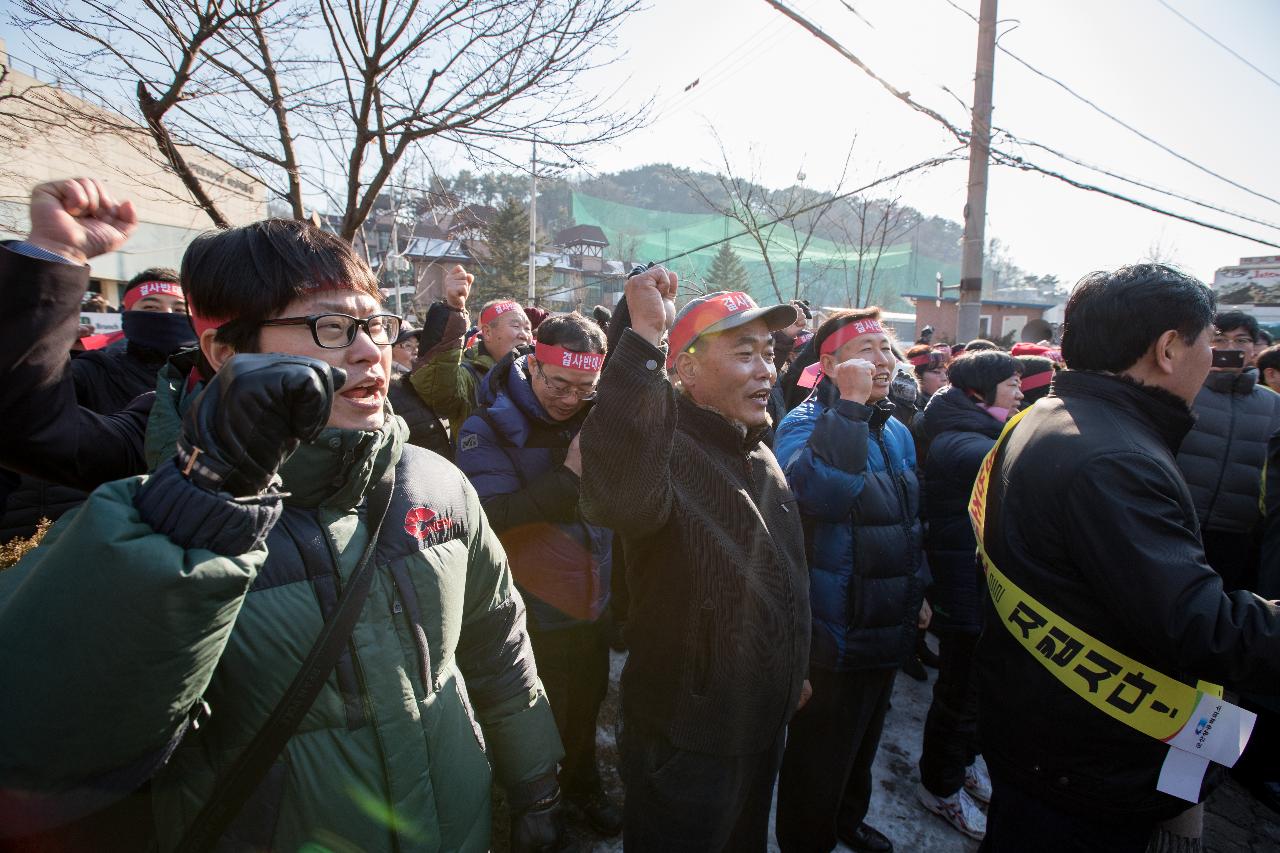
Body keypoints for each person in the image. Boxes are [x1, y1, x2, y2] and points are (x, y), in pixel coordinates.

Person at [0, 178, 568, 852]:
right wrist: (207, 511)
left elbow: (496, 641)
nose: (368, 351)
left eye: (374, 323)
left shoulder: (436, 483)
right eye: (330, 326)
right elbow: (49, 744)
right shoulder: (154, 525)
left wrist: (537, 777)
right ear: (223, 351)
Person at [973, 264, 1280, 853]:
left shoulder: (1047, 417)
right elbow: (1201, 627)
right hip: (1087, 761)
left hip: (1045, 734)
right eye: (1207, 342)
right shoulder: (1115, 459)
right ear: (1168, 348)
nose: (1212, 359)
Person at [578, 275, 811, 852]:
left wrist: (791, 672)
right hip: (688, 736)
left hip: (759, 722)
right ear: (683, 370)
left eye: (769, 352)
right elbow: (620, 499)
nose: (766, 370)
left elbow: (782, 577)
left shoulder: (756, 448)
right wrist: (642, 340)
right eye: (743, 354)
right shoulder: (667, 451)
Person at [455, 313, 622, 836]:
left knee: (587, 704)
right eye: (558, 384)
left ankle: (583, 788)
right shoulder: (488, 426)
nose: (570, 399)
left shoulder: (595, 416)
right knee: (535, 716)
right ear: (532, 365)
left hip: (591, 600)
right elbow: (493, 517)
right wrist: (570, 474)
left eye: (584, 388)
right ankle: (537, 808)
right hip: (527, 608)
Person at [773, 309, 928, 853]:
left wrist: (920, 588)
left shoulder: (898, 432)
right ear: (831, 364)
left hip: (886, 618)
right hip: (834, 627)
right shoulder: (802, 425)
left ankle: (848, 819)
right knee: (821, 755)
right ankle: (806, 838)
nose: (883, 361)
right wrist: (852, 410)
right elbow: (818, 498)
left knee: (864, 742)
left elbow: (911, 519)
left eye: (886, 348)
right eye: (866, 351)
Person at [914, 351, 1024, 841]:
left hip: (981, 584)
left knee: (979, 690)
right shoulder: (962, 440)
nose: (1021, 392)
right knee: (959, 694)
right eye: (1012, 383)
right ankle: (940, 787)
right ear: (982, 391)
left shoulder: (977, 425)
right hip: (962, 585)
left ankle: (965, 765)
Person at [1176, 310, 1280, 593]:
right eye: (1219, 339)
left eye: (1242, 340)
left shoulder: (1273, 404)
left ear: (1254, 347)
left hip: (1239, 536)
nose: (1230, 348)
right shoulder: (1182, 391)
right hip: (1178, 525)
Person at [409, 266, 533, 432]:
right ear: (487, 332)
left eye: (528, 328)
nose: (524, 335)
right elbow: (437, 388)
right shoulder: (469, 376)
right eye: (516, 325)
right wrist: (453, 309)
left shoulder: (537, 374)